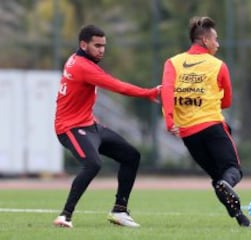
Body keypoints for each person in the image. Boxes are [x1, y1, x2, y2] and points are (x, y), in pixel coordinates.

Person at [53, 24, 160, 228]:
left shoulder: (80, 59)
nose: (101, 49)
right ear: (83, 45)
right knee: (92, 164)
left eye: (104, 45)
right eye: (97, 45)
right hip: (70, 128)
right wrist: (149, 92)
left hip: (90, 125)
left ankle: (119, 211)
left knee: (131, 156)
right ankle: (65, 215)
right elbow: (118, 86)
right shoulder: (83, 66)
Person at [160, 16, 251, 227]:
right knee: (232, 172)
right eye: (216, 40)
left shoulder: (172, 63)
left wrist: (169, 120)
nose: (218, 44)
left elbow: (166, 91)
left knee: (217, 179)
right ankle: (229, 189)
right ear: (205, 41)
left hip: (188, 135)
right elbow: (227, 101)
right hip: (212, 126)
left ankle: (241, 219)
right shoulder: (218, 65)